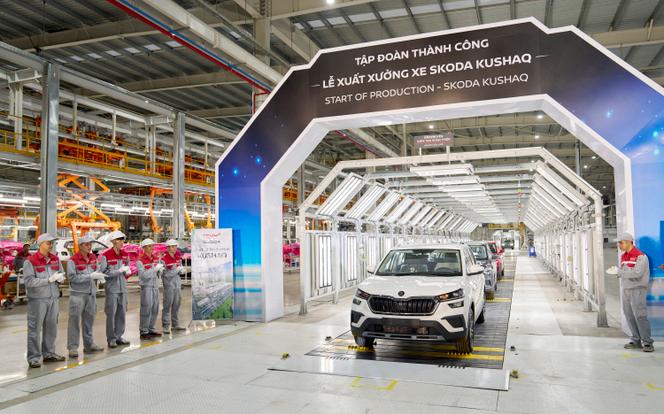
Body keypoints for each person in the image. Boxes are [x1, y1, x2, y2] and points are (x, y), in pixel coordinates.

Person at [22, 233, 65, 368]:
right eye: (48, 243)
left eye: (52, 243)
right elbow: (29, 282)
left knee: (51, 327)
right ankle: (33, 358)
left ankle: (49, 354)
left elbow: (61, 273)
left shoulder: (55, 259)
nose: (51, 245)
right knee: (35, 329)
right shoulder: (30, 261)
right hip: (38, 300)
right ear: (40, 244)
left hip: (53, 298)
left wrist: (60, 279)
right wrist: (48, 280)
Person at [607, 233, 654, 352]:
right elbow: (625, 273)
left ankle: (647, 342)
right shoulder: (624, 256)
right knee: (629, 315)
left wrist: (619, 272)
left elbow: (637, 274)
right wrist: (617, 272)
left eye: (621, 242)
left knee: (640, 316)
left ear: (629, 242)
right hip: (626, 289)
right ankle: (636, 340)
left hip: (637, 290)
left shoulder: (640, 256)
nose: (619, 245)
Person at [66, 235, 105, 357]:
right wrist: (90, 276)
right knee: (74, 321)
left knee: (89, 320)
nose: (89, 247)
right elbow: (72, 278)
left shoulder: (93, 257)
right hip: (78, 295)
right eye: (87, 244)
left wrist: (100, 275)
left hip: (91, 294)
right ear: (80, 246)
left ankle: (89, 345)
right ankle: (72, 347)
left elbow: (97, 269)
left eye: (90, 244)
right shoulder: (73, 260)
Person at [99, 230, 131, 348]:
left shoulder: (125, 254)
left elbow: (127, 269)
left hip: (123, 288)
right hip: (112, 288)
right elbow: (104, 272)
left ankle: (119, 336)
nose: (122, 242)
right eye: (119, 240)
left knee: (122, 313)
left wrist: (127, 271)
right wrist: (118, 271)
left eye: (123, 240)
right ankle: (111, 338)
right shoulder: (106, 255)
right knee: (111, 314)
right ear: (113, 241)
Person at [136, 238, 162, 339]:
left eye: (152, 246)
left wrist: (160, 270)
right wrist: (154, 269)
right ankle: (144, 331)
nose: (152, 248)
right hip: (147, 286)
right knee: (146, 308)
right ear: (144, 248)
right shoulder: (140, 260)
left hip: (155, 285)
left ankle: (151, 328)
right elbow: (143, 275)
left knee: (155, 308)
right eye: (149, 246)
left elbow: (158, 272)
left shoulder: (155, 258)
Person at [161, 239, 186, 334]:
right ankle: (166, 326)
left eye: (175, 246)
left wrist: (182, 270)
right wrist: (177, 270)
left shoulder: (177, 257)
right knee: (167, 306)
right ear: (168, 248)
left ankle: (175, 325)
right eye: (172, 246)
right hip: (169, 286)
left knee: (176, 305)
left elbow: (179, 269)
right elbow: (165, 274)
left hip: (177, 285)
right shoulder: (164, 260)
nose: (174, 248)